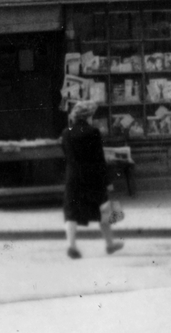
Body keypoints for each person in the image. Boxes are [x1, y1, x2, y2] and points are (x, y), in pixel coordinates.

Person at [60, 99, 122, 258]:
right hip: (92, 177)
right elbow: (99, 159)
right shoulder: (93, 132)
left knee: (71, 211)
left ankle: (71, 245)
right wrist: (107, 181)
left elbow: (66, 155)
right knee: (104, 210)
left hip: (73, 176)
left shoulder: (66, 132)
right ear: (88, 116)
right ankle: (110, 244)